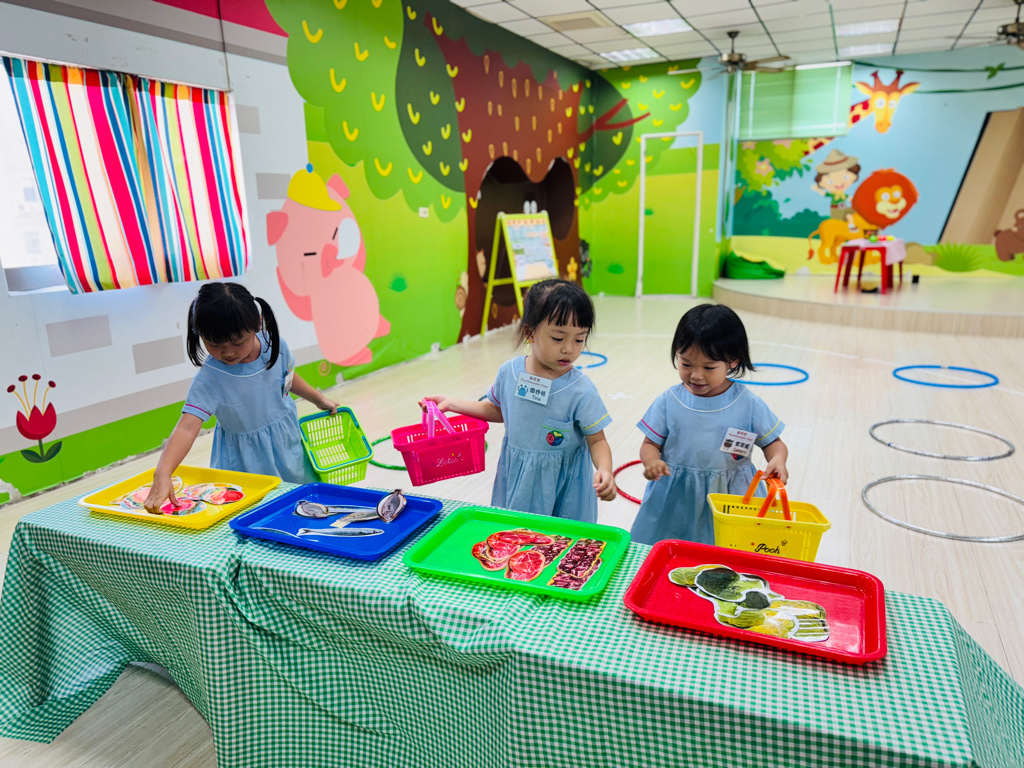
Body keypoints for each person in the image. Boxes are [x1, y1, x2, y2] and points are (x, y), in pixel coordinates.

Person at [422, 279, 615, 521]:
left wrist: (605, 470)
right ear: (529, 332)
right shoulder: (510, 372)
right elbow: (498, 410)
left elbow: (597, 440)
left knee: (559, 538)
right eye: (558, 338)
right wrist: (451, 404)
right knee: (516, 534)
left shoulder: (580, 390)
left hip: (564, 488)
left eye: (579, 339)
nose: (569, 349)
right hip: (518, 479)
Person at [143, 282, 338, 512]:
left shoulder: (274, 346)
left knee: (301, 503)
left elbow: (286, 377)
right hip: (246, 461)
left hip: (288, 446)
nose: (228, 352)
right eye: (214, 344)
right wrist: (163, 472)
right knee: (257, 511)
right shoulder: (210, 378)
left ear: (257, 324)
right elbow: (187, 427)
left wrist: (318, 399)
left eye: (237, 342)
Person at [631, 304, 788, 546]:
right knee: (668, 548)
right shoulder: (669, 401)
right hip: (677, 498)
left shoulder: (747, 403)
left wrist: (777, 459)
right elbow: (650, 444)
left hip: (731, 496)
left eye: (708, 367)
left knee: (727, 551)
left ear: (732, 361)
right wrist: (652, 462)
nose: (696, 375)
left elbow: (773, 443)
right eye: (686, 364)